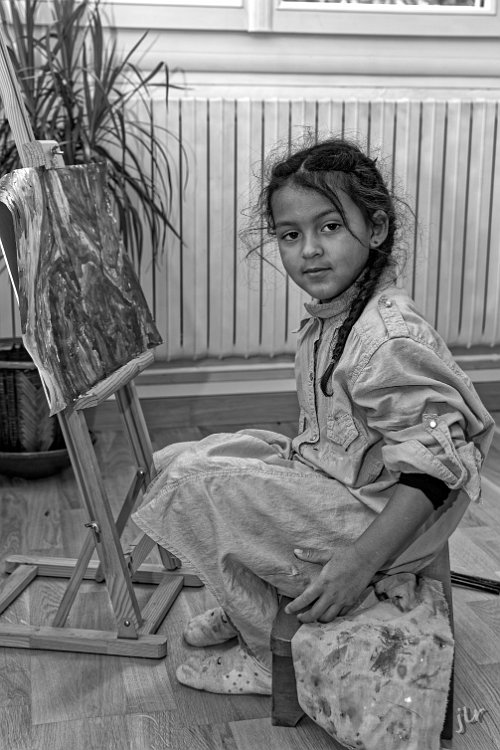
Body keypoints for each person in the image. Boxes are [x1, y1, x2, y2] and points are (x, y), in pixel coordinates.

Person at [132, 137, 494, 696]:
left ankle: (266, 653)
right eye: (290, 235)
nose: (310, 250)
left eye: (329, 227)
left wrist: (359, 565)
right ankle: (251, 597)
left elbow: (435, 472)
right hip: (345, 488)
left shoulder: (386, 339)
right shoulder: (333, 316)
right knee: (178, 459)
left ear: (376, 228)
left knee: (193, 488)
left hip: (381, 525)